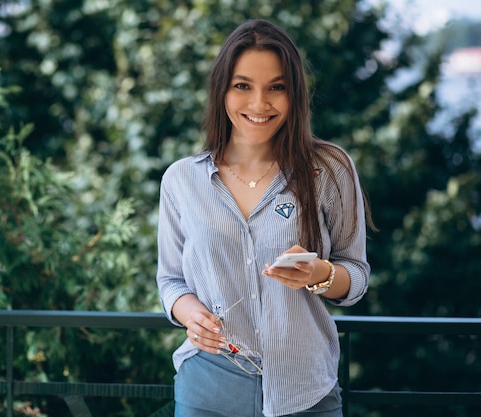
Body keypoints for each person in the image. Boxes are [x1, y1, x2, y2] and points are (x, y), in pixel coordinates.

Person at [156, 19, 375, 417]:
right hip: (207, 387)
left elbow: (356, 275)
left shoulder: (330, 169)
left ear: (295, 95)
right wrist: (191, 315)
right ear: (222, 91)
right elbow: (170, 280)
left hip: (306, 391)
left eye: (277, 87)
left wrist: (320, 275)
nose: (259, 104)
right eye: (243, 86)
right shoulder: (181, 179)